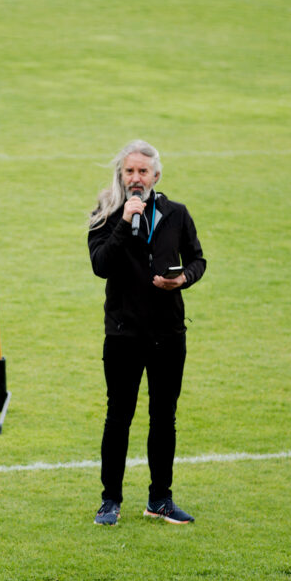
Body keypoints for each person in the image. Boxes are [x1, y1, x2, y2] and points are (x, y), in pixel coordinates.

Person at [88, 139, 206, 526]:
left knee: (164, 417)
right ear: (120, 175)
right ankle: (110, 500)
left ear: (156, 175)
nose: (136, 178)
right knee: (118, 417)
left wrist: (183, 279)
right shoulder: (105, 214)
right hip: (124, 334)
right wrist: (124, 221)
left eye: (143, 171)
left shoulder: (177, 213)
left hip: (168, 334)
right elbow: (101, 265)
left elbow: (197, 259)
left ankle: (160, 499)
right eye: (129, 171)